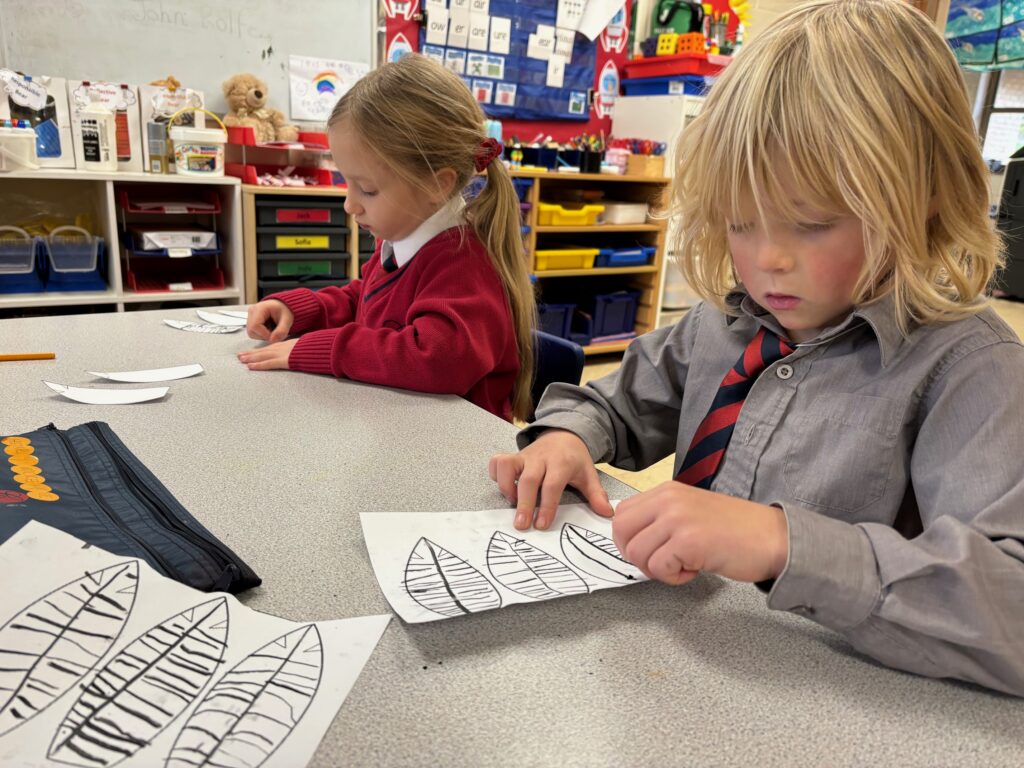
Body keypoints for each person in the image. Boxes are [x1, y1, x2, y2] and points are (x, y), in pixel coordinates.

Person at [489, 0, 1024, 695]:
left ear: (921, 197)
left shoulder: (971, 372)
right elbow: (619, 406)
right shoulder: (723, 323)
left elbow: (1011, 611)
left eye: (812, 223)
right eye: (742, 223)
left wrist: (783, 544)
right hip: (673, 671)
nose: (768, 259)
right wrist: (567, 437)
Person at [239, 54, 535, 422]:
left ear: (434, 185)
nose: (350, 205)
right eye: (348, 183)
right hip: (395, 427)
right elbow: (365, 299)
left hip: (452, 451)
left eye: (367, 189)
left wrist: (327, 348)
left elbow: (437, 358)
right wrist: (302, 310)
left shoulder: (464, 261)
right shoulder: (400, 238)